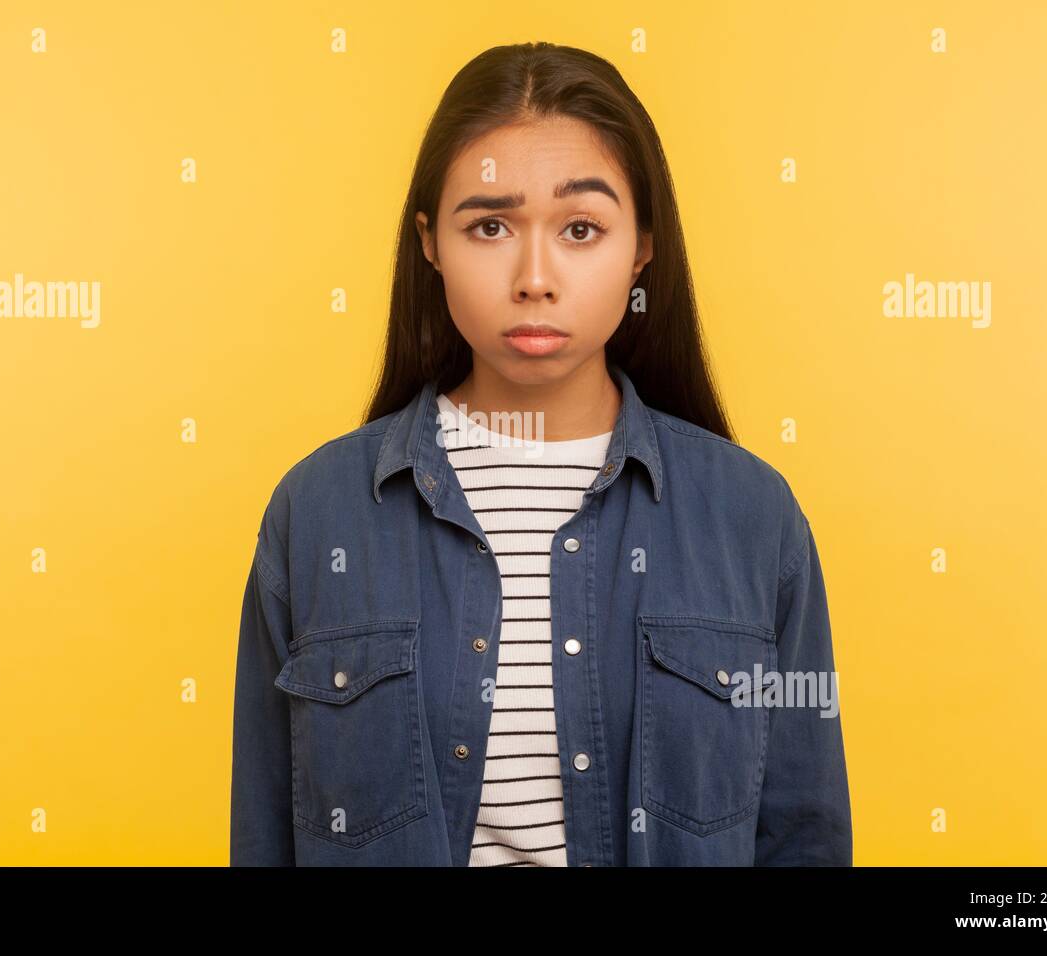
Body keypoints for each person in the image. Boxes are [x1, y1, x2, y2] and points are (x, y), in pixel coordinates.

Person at [230, 41, 851, 867]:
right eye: (490, 225)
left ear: (642, 248)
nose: (534, 276)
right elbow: (263, 836)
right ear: (430, 242)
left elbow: (803, 840)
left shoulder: (753, 518)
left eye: (581, 228)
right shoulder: (316, 515)